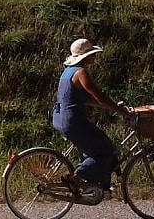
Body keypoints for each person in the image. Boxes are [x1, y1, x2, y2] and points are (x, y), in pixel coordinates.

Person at [53, 38, 133, 205]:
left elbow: (88, 99)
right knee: (105, 150)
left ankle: (95, 186)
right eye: (92, 55)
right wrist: (121, 111)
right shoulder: (80, 72)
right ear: (85, 56)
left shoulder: (67, 71)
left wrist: (112, 107)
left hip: (60, 118)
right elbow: (98, 95)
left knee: (94, 149)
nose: (94, 58)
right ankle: (75, 178)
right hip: (73, 121)